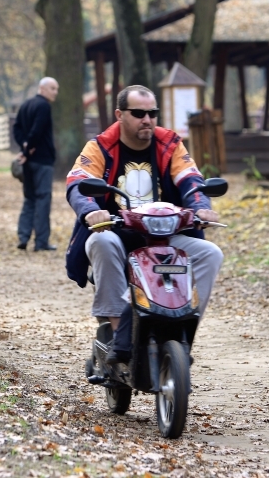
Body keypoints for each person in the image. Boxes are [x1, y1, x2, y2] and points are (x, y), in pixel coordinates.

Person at [65, 85, 224, 364]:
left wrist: (201, 207)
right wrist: (91, 211)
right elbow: (79, 182)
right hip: (116, 232)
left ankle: (182, 333)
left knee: (211, 253)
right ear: (119, 115)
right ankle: (119, 338)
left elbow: (190, 179)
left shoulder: (170, 144)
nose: (147, 120)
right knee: (101, 241)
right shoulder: (100, 146)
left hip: (164, 237)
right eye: (138, 113)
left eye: (153, 113)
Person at [14, 77, 59, 251]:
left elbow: (16, 128)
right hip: (42, 160)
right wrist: (28, 150)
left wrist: (24, 146)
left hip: (28, 163)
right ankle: (41, 241)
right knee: (43, 199)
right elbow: (37, 130)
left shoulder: (26, 105)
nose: (55, 92)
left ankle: (23, 236)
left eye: (56, 89)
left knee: (29, 198)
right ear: (42, 88)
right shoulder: (43, 106)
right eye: (53, 88)